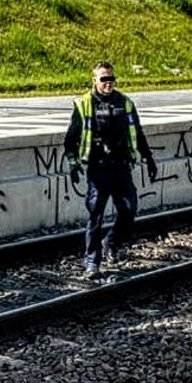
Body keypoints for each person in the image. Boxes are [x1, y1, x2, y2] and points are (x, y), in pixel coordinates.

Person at [63, 61, 158, 278]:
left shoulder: (124, 103)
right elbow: (70, 139)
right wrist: (72, 162)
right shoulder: (84, 104)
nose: (108, 83)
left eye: (111, 78)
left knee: (129, 210)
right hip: (98, 170)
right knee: (95, 216)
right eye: (104, 79)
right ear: (94, 80)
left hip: (122, 168)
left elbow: (138, 133)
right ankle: (91, 263)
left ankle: (111, 243)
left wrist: (149, 158)